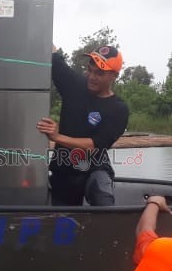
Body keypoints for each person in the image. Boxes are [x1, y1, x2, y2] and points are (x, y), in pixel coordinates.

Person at [36, 44, 129, 206]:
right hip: (64, 169)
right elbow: (55, 57)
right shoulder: (75, 85)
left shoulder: (118, 109)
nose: (92, 76)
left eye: (99, 73)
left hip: (94, 168)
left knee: (103, 198)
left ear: (114, 76)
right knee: (63, 221)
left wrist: (57, 137)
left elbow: (94, 146)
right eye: (90, 70)